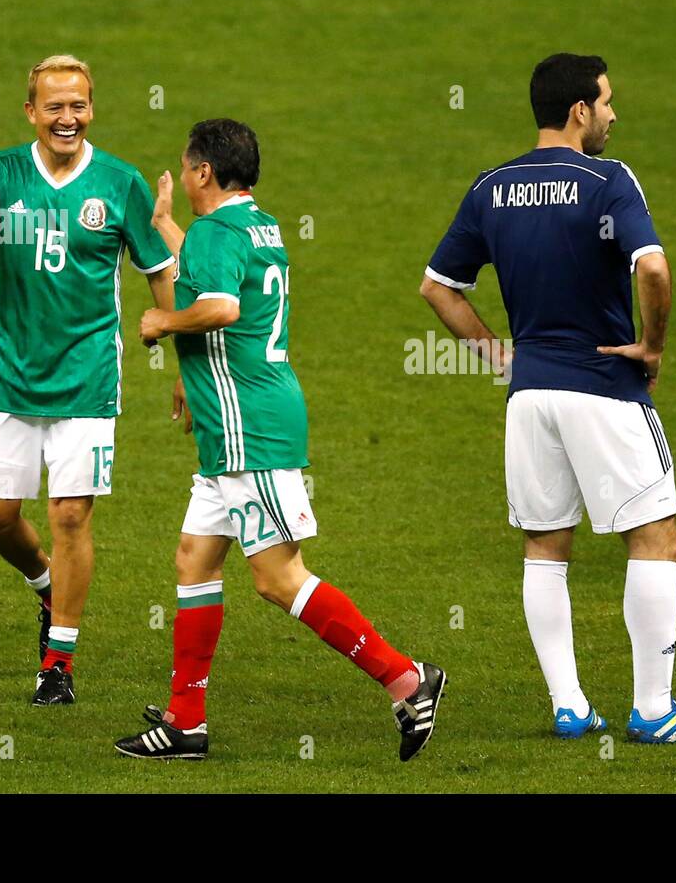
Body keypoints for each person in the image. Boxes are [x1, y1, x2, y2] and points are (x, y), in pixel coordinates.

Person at [420, 54, 676, 745]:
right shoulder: (607, 180)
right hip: (603, 390)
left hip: (530, 395)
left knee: (544, 544)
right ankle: (655, 710)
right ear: (579, 111)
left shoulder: (491, 187)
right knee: (656, 536)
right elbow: (651, 265)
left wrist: (497, 353)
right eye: (607, 102)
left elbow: (439, 286)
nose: (614, 115)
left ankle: (569, 704)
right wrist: (652, 347)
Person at [115, 119, 445, 761]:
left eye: (186, 169)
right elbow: (215, 274)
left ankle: (406, 679)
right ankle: (186, 723)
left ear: (203, 172)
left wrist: (162, 322)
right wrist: (161, 223)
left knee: (277, 577)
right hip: (239, 427)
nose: (182, 178)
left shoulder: (216, 232)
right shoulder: (254, 227)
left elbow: (220, 307)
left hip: (248, 430)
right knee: (193, 560)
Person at [0, 55, 176, 704]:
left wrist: (182, 351)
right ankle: (44, 584)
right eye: (54, 106)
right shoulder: (0, 171)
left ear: (91, 108)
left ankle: (58, 664)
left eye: (78, 105)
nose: (67, 117)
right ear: (31, 111)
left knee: (70, 513)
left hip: (87, 376)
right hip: (8, 372)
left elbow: (159, 270)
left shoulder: (119, 183)